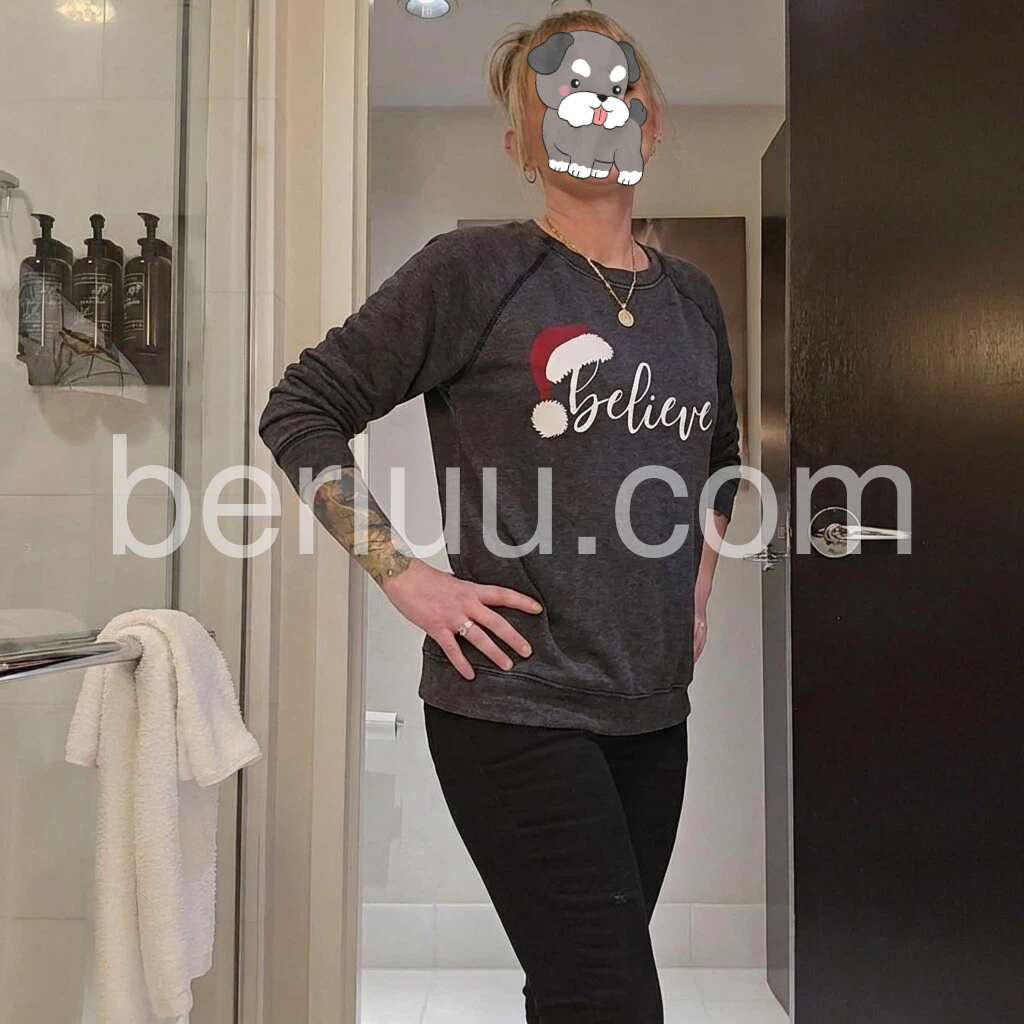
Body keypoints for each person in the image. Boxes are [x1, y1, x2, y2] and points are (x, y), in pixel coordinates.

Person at [259, 10, 740, 1022]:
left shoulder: (693, 300)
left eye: (615, 91)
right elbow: (301, 408)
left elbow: (721, 462)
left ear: (649, 122)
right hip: (516, 707)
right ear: (522, 141)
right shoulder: (476, 270)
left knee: (576, 987)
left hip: (654, 710)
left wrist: (694, 587)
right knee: (608, 998)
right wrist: (405, 576)